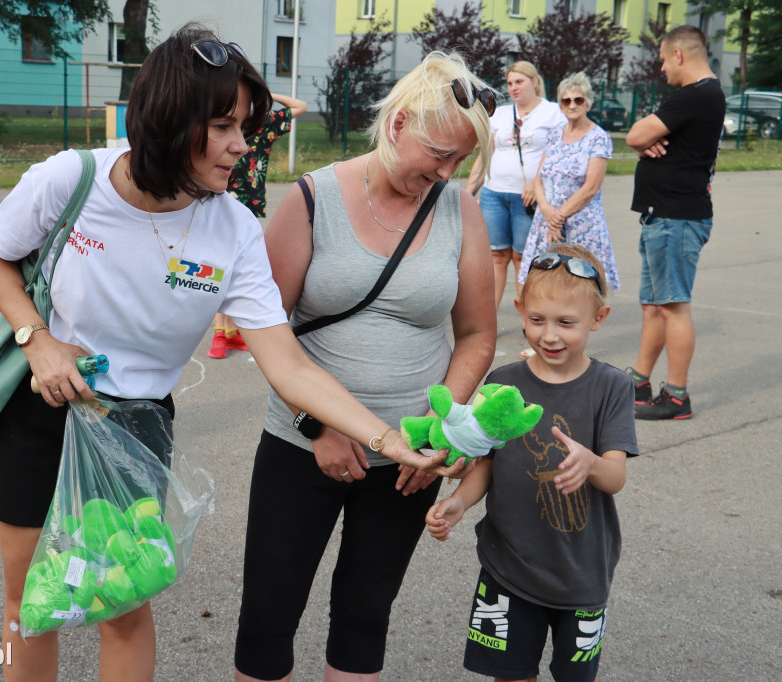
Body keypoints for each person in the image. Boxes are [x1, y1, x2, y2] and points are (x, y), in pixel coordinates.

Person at [0, 25, 459, 681]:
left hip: (134, 426)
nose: (242, 144)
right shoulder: (70, 179)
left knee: (120, 606)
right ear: (172, 121)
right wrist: (37, 338)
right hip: (37, 413)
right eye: (225, 125)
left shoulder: (231, 227)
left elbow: (286, 363)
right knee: (28, 603)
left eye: (246, 126)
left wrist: (383, 438)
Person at [235, 52, 497, 682]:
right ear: (399, 122)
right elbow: (266, 333)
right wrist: (316, 427)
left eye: (459, 161)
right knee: (269, 616)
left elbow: (478, 336)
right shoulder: (310, 200)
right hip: (303, 446)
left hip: (408, 461)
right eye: (438, 152)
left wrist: (432, 433)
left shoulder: (458, 209)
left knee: (364, 616)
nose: (444, 171)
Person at [426, 244, 638, 682]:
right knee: (510, 674)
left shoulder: (612, 387)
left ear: (598, 319)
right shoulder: (502, 384)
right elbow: (487, 462)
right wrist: (460, 502)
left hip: (581, 572)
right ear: (520, 310)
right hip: (508, 566)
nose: (550, 335)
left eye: (566, 322)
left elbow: (615, 477)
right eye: (537, 320)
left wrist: (590, 463)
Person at [625, 25, 725, 420]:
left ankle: (677, 396)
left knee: (674, 308)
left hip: (676, 219)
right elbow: (644, 139)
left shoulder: (696, 95)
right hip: (663, 216)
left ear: (680, 55)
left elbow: (635, 135)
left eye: (664, 59)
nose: (663, 68)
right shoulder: (702, 97)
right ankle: (639, 380)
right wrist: (647, 141)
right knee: (654, 307)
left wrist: (644, 138)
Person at [210, 91, 308, 359]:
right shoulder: (259, 124)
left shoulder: (261, 124)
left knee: (235, 265)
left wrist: (263, 93)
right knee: (226, 265)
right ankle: (221, 333)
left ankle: (229, 333)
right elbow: (299, 105)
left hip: (245, 203)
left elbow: (302, 107)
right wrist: (269, 95)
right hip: (225, 200)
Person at [465, 61, 565, 311]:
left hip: (528, 198)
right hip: (493, 194)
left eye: (519, 82)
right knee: (497, 257)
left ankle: (528, 317)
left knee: (524, 258)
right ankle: (488, 318)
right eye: (510, 83)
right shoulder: (500, 113)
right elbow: (486, 154)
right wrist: (468, 193)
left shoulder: (553, 112)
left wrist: (536, 183)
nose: (513, 88)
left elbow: (557, 154)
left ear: (534, 81)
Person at [519, 72, 619, 291]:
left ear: (588, 103)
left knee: (579, 289)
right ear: (561, 105)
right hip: (546, 220)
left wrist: (559, 217)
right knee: (537, 283)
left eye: (578, 100)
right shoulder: (554, 135)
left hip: (581, 224)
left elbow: (591, 188)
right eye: (566, 100)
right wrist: (546, 210)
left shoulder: (599, 138)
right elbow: (538, 179)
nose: (572, 105)